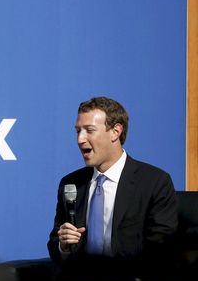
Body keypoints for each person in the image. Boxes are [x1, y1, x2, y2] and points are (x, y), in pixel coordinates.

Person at [48, 97, 177, 264]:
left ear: (115, 132)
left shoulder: (155, 182)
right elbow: (55, 245)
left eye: (89, 130)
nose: (80, 139)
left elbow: (160, 250)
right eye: (78, 131)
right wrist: (63, 246)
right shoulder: (71, 184)